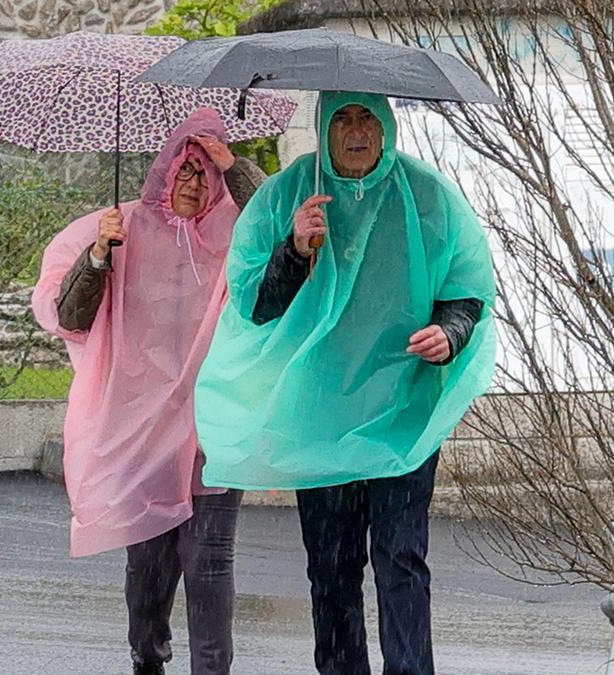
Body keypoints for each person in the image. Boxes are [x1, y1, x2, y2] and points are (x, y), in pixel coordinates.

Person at [194, 92, 497, 675]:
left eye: (366, 119)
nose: (356, 132)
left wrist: (449, 332)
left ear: (385, 128)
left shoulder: (428, 196)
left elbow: (466, 289)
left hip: (402, 408)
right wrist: (294, 249)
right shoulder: (287, 194)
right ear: (323, 128)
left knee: (401, 559)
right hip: (318, 414)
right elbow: (256, 306)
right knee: (331, 567)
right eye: (341, 119)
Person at [31, 108, 266, 675]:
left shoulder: (240, 234)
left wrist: (234, 165)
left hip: (213, 425)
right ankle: (149, 659)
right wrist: (98, 257)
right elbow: (70, 316)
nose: (194, 184)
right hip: (144, 430)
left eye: (206, 173)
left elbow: (278, 223)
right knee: (150, 571)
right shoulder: (123, 229)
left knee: (209, 563)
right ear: (163, 170)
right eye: (185, 169)